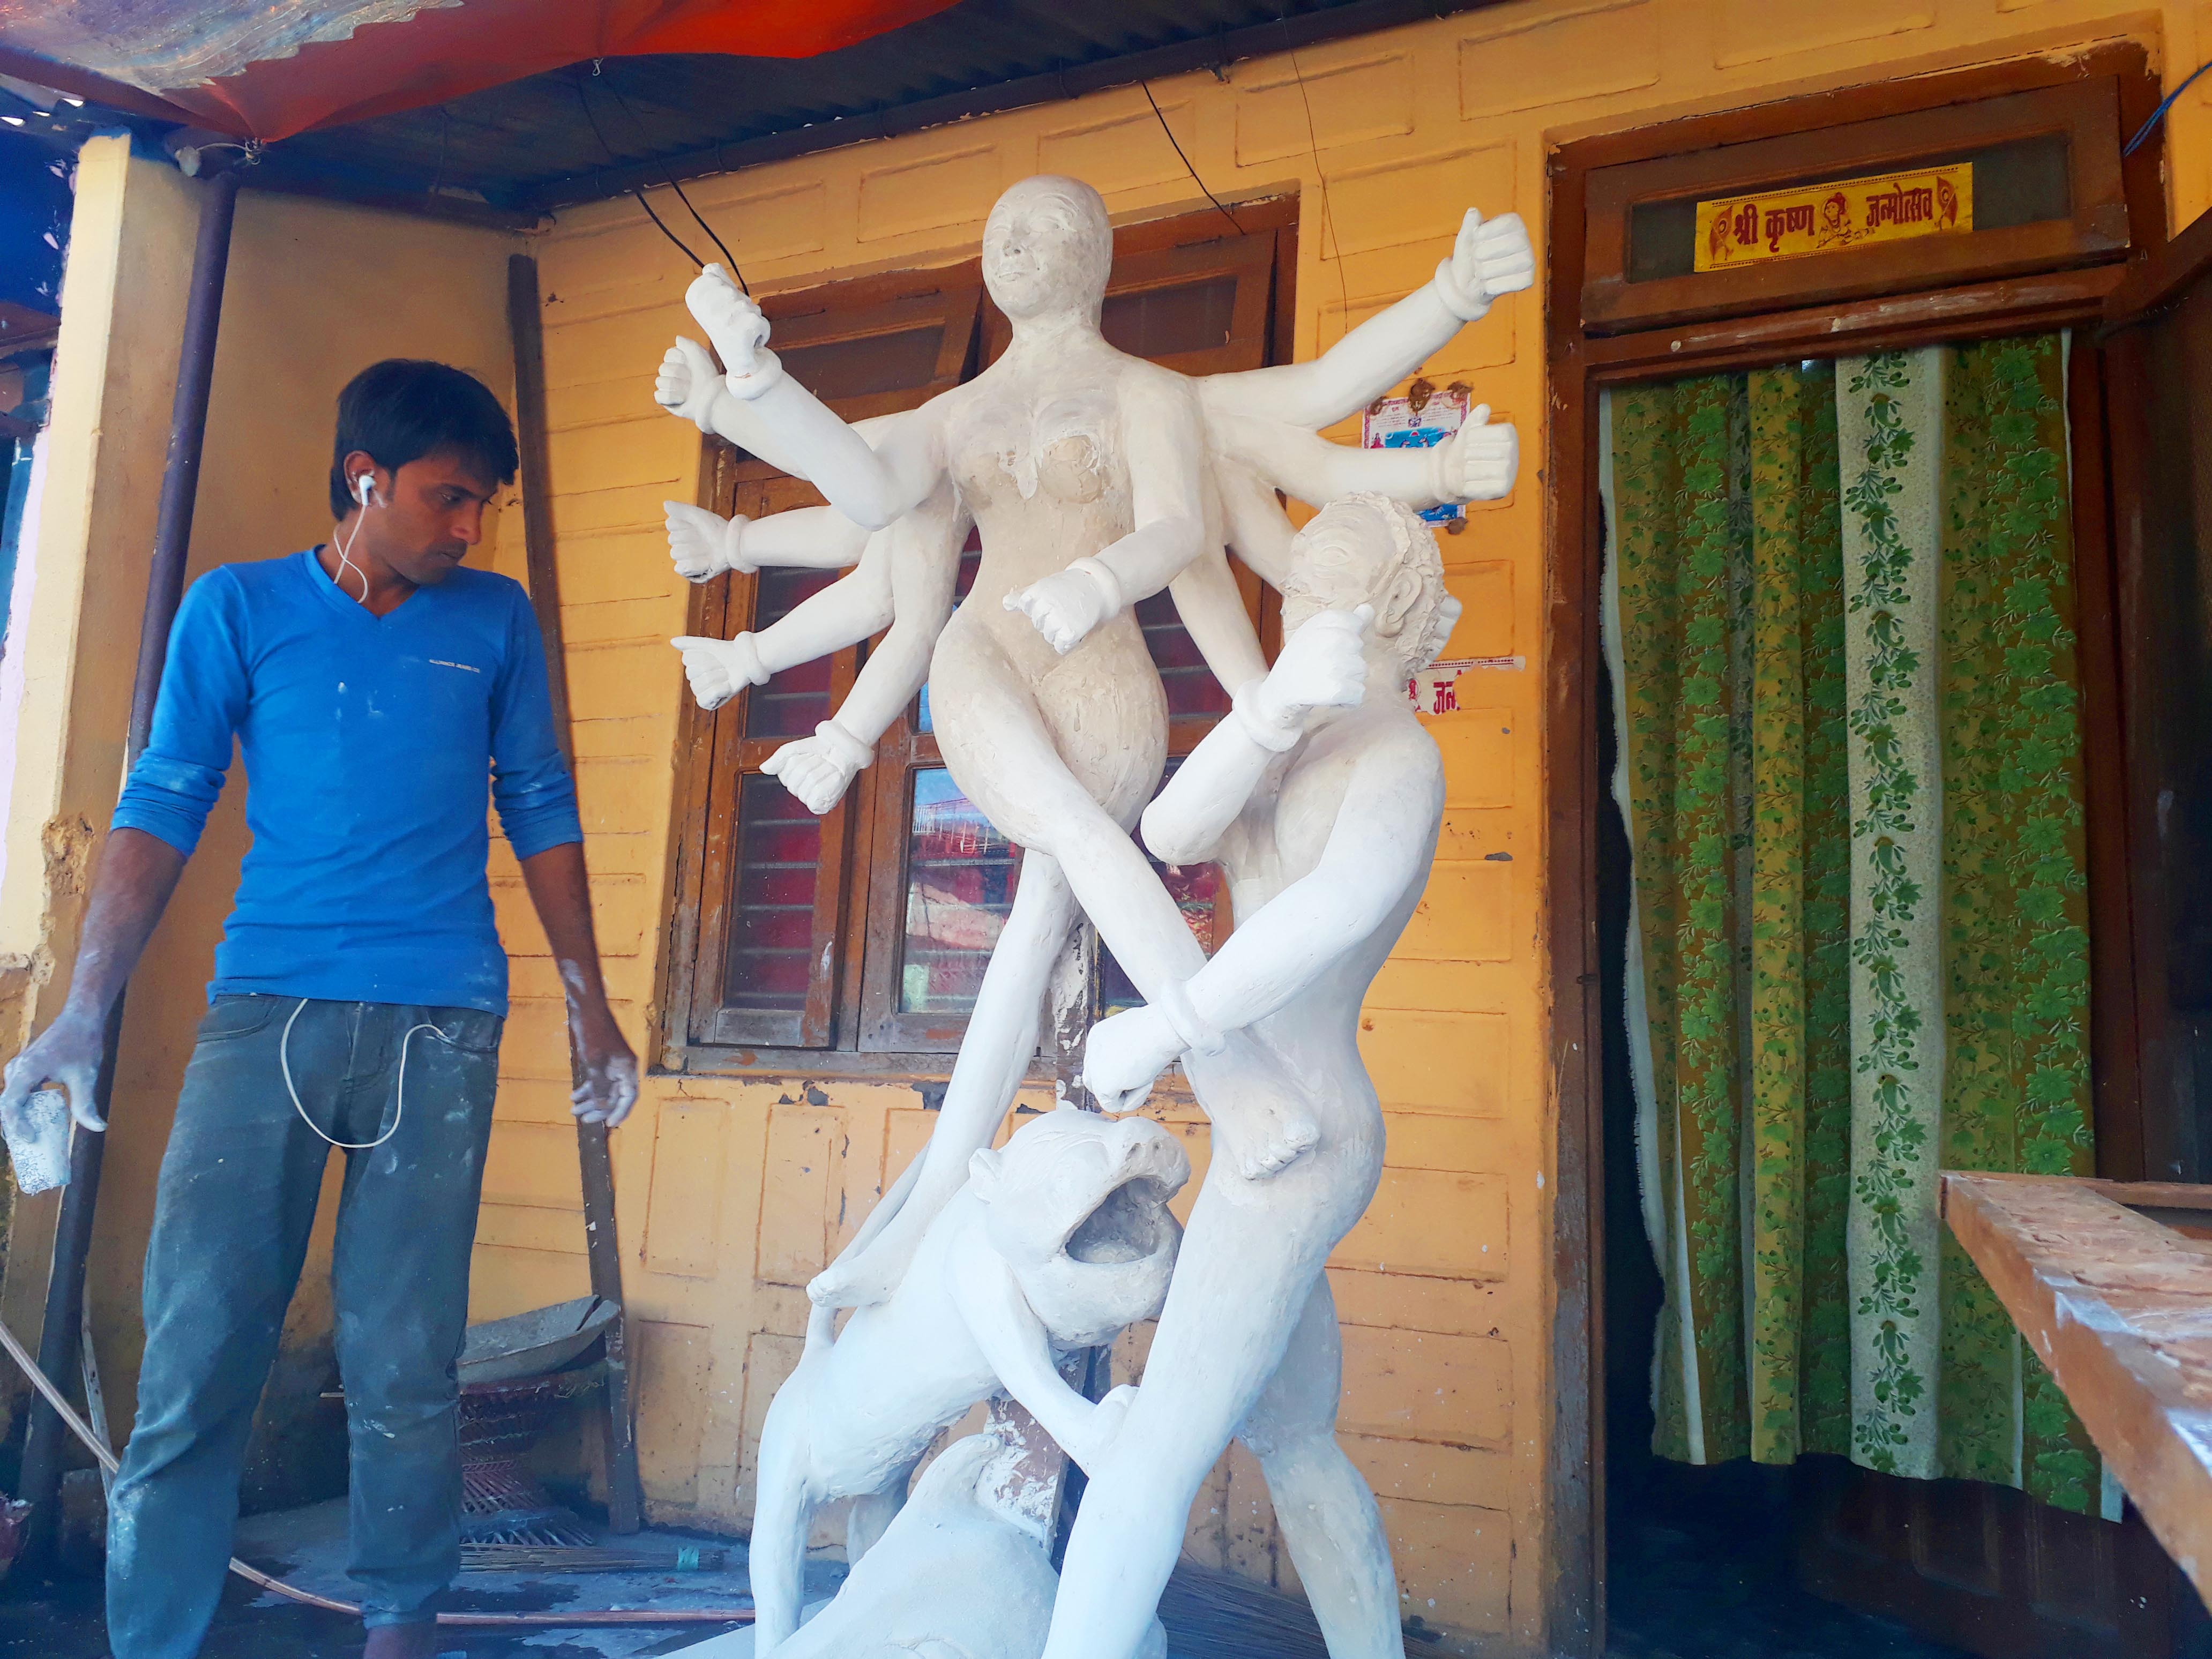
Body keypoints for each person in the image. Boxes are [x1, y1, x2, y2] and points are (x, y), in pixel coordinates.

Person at [652, 178, 1528, 1306]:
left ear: (1097, 256)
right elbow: (867, 493)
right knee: (1061, 839)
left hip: (1105, 674)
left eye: (1046, 227)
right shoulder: (957, 414)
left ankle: (921, 1214)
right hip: (988, 656)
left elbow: (1235, 469)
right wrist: (756, 382)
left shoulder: (1147, 392)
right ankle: (1230, 1081)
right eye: (1000, 229)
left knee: (1037, 920)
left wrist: (1454, 295)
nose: (1016, 244)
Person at [0, 360, 639, 1659]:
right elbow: (163, 798)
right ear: (365, 477)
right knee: (198, 1350)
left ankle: (399, 1627)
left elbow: (541, 804)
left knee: (406, 1359)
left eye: (486, 504)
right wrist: (81, 1012)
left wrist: (592, 1002)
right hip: (265, 1016)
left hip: (441, 1026)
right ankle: (154, 1640)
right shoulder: (238, 608)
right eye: (450, 497)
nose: (471, 527)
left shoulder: (496, 620)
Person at [1057, 494, 1462, 1659]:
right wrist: (1268, 713)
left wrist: (1164, 1027)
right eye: (1296, 582)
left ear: (1393, 602)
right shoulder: (1291, 736)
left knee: (1156, 1454)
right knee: (1296, 1439)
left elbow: (1336, 907)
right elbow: (1175, 834)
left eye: (1327, 581)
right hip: (1266, 1128)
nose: (1298, 600)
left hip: (1303, 1137)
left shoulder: (1400, 757)